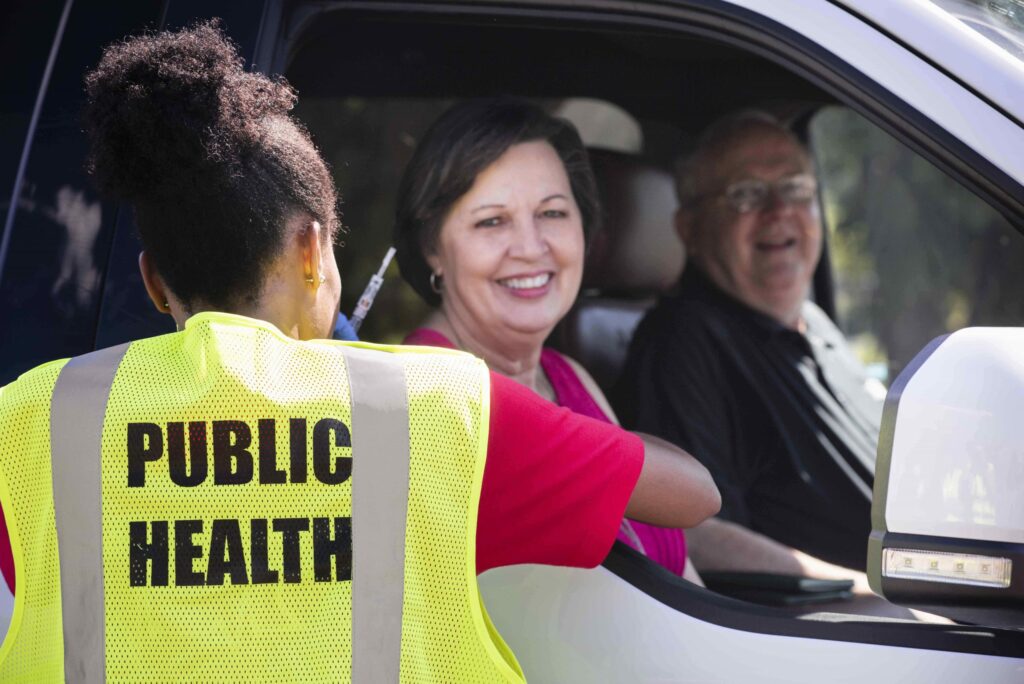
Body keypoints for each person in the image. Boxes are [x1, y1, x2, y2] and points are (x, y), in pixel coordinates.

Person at [0, 24, 718, 681]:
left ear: (154, 280)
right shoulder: (440, 407)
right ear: (314, 250)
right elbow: (691, 494)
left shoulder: (30, 419)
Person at [394, 97, 718, 584]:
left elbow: (683, 584)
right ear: (433, 249)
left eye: (552, 213)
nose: (530, 247)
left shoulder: (566, 375)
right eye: (491, 221)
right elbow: (699, 495)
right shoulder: (437, 395)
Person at [617, 111, 885, 585]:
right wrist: (874, 596)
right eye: (746, 194)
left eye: (796, 188)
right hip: (836, 634)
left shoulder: (813, 322)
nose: (780, 210)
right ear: (690, 228)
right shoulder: (684, 340)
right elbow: (694, 535)